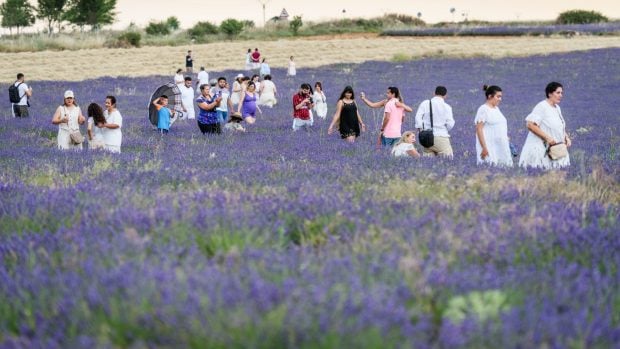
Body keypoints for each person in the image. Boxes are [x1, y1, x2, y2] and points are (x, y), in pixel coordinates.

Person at [519, 82, 571, 169]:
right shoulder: (542, 106)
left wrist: (566, 137)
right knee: (541, 172)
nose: (561, 95)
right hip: (542, 148)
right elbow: (530, 124)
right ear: (550, 93)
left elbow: (559, 125)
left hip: (557, 148)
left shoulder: (557, 108)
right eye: (558, 93)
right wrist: (547, 138)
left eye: (562, 93)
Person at [475, 85, 512, 166]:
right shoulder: (483, 109)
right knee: (489, 168)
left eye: (501, 97)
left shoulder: (496, 109)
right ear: (490, 96)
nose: (500, 99)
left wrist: (505, 136)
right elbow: (479, 129)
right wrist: (484, 148)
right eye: (498, 97)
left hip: (501, 146)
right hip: (489, 147)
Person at [414, 86, 455, 158]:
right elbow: (450, 124)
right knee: (448, 160)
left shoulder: (425, 103)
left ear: (434, 93)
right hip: (441, 137)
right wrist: (445, 130)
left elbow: (418, 117)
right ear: (445, 95)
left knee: (427, 161)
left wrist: (421, 129)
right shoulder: (447, 107)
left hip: (427, 138)